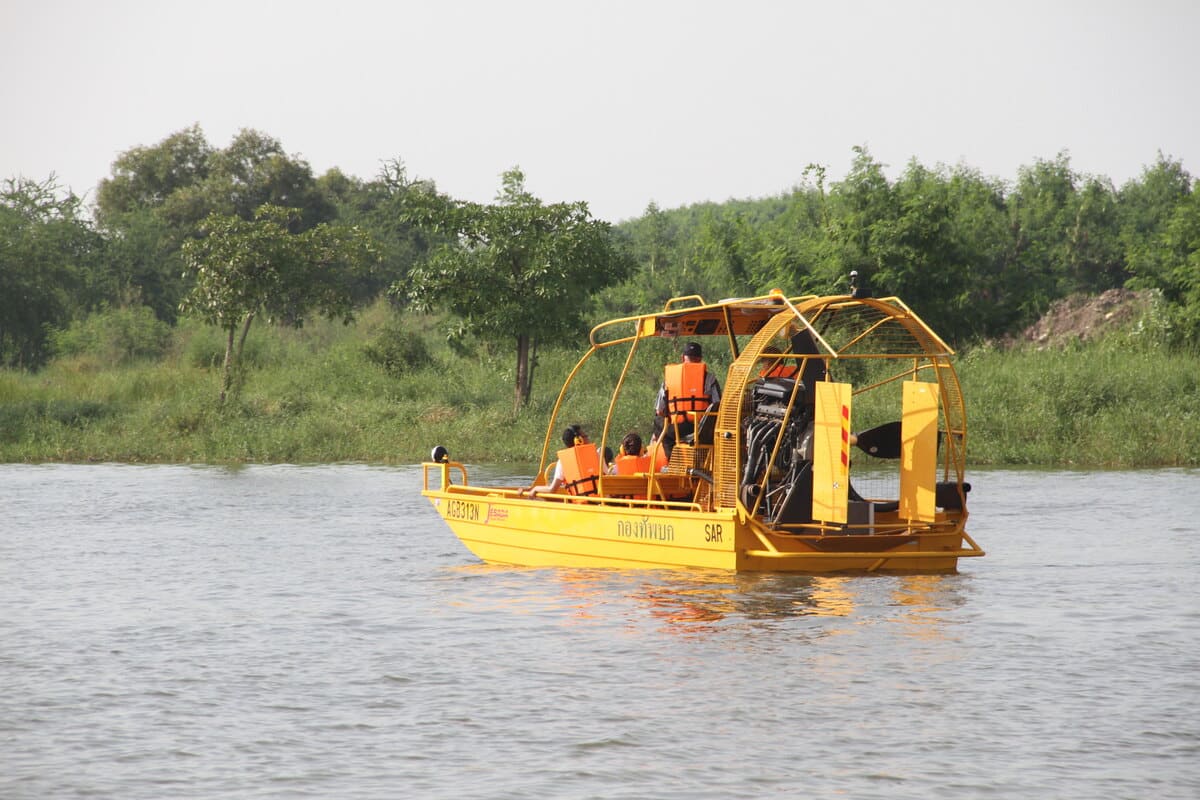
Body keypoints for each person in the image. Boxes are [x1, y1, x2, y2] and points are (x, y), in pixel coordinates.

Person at [654, 341, 721, 459]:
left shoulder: (669, 379)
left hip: (678, 429)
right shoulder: (710, 379)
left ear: (682, 358)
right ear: (700, 359)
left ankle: (673, 461)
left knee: (658, 422)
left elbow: (660, 410)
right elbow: (718, 405)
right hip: (703, 428)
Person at [523, 425, 602, 498]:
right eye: (585, 436)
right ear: (578, 440)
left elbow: (552, 489)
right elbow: (607, 477)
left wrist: (535, 489)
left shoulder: (563, 462)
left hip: (580, 505)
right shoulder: (597, 454)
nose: (588, 438)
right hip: (602, 501)